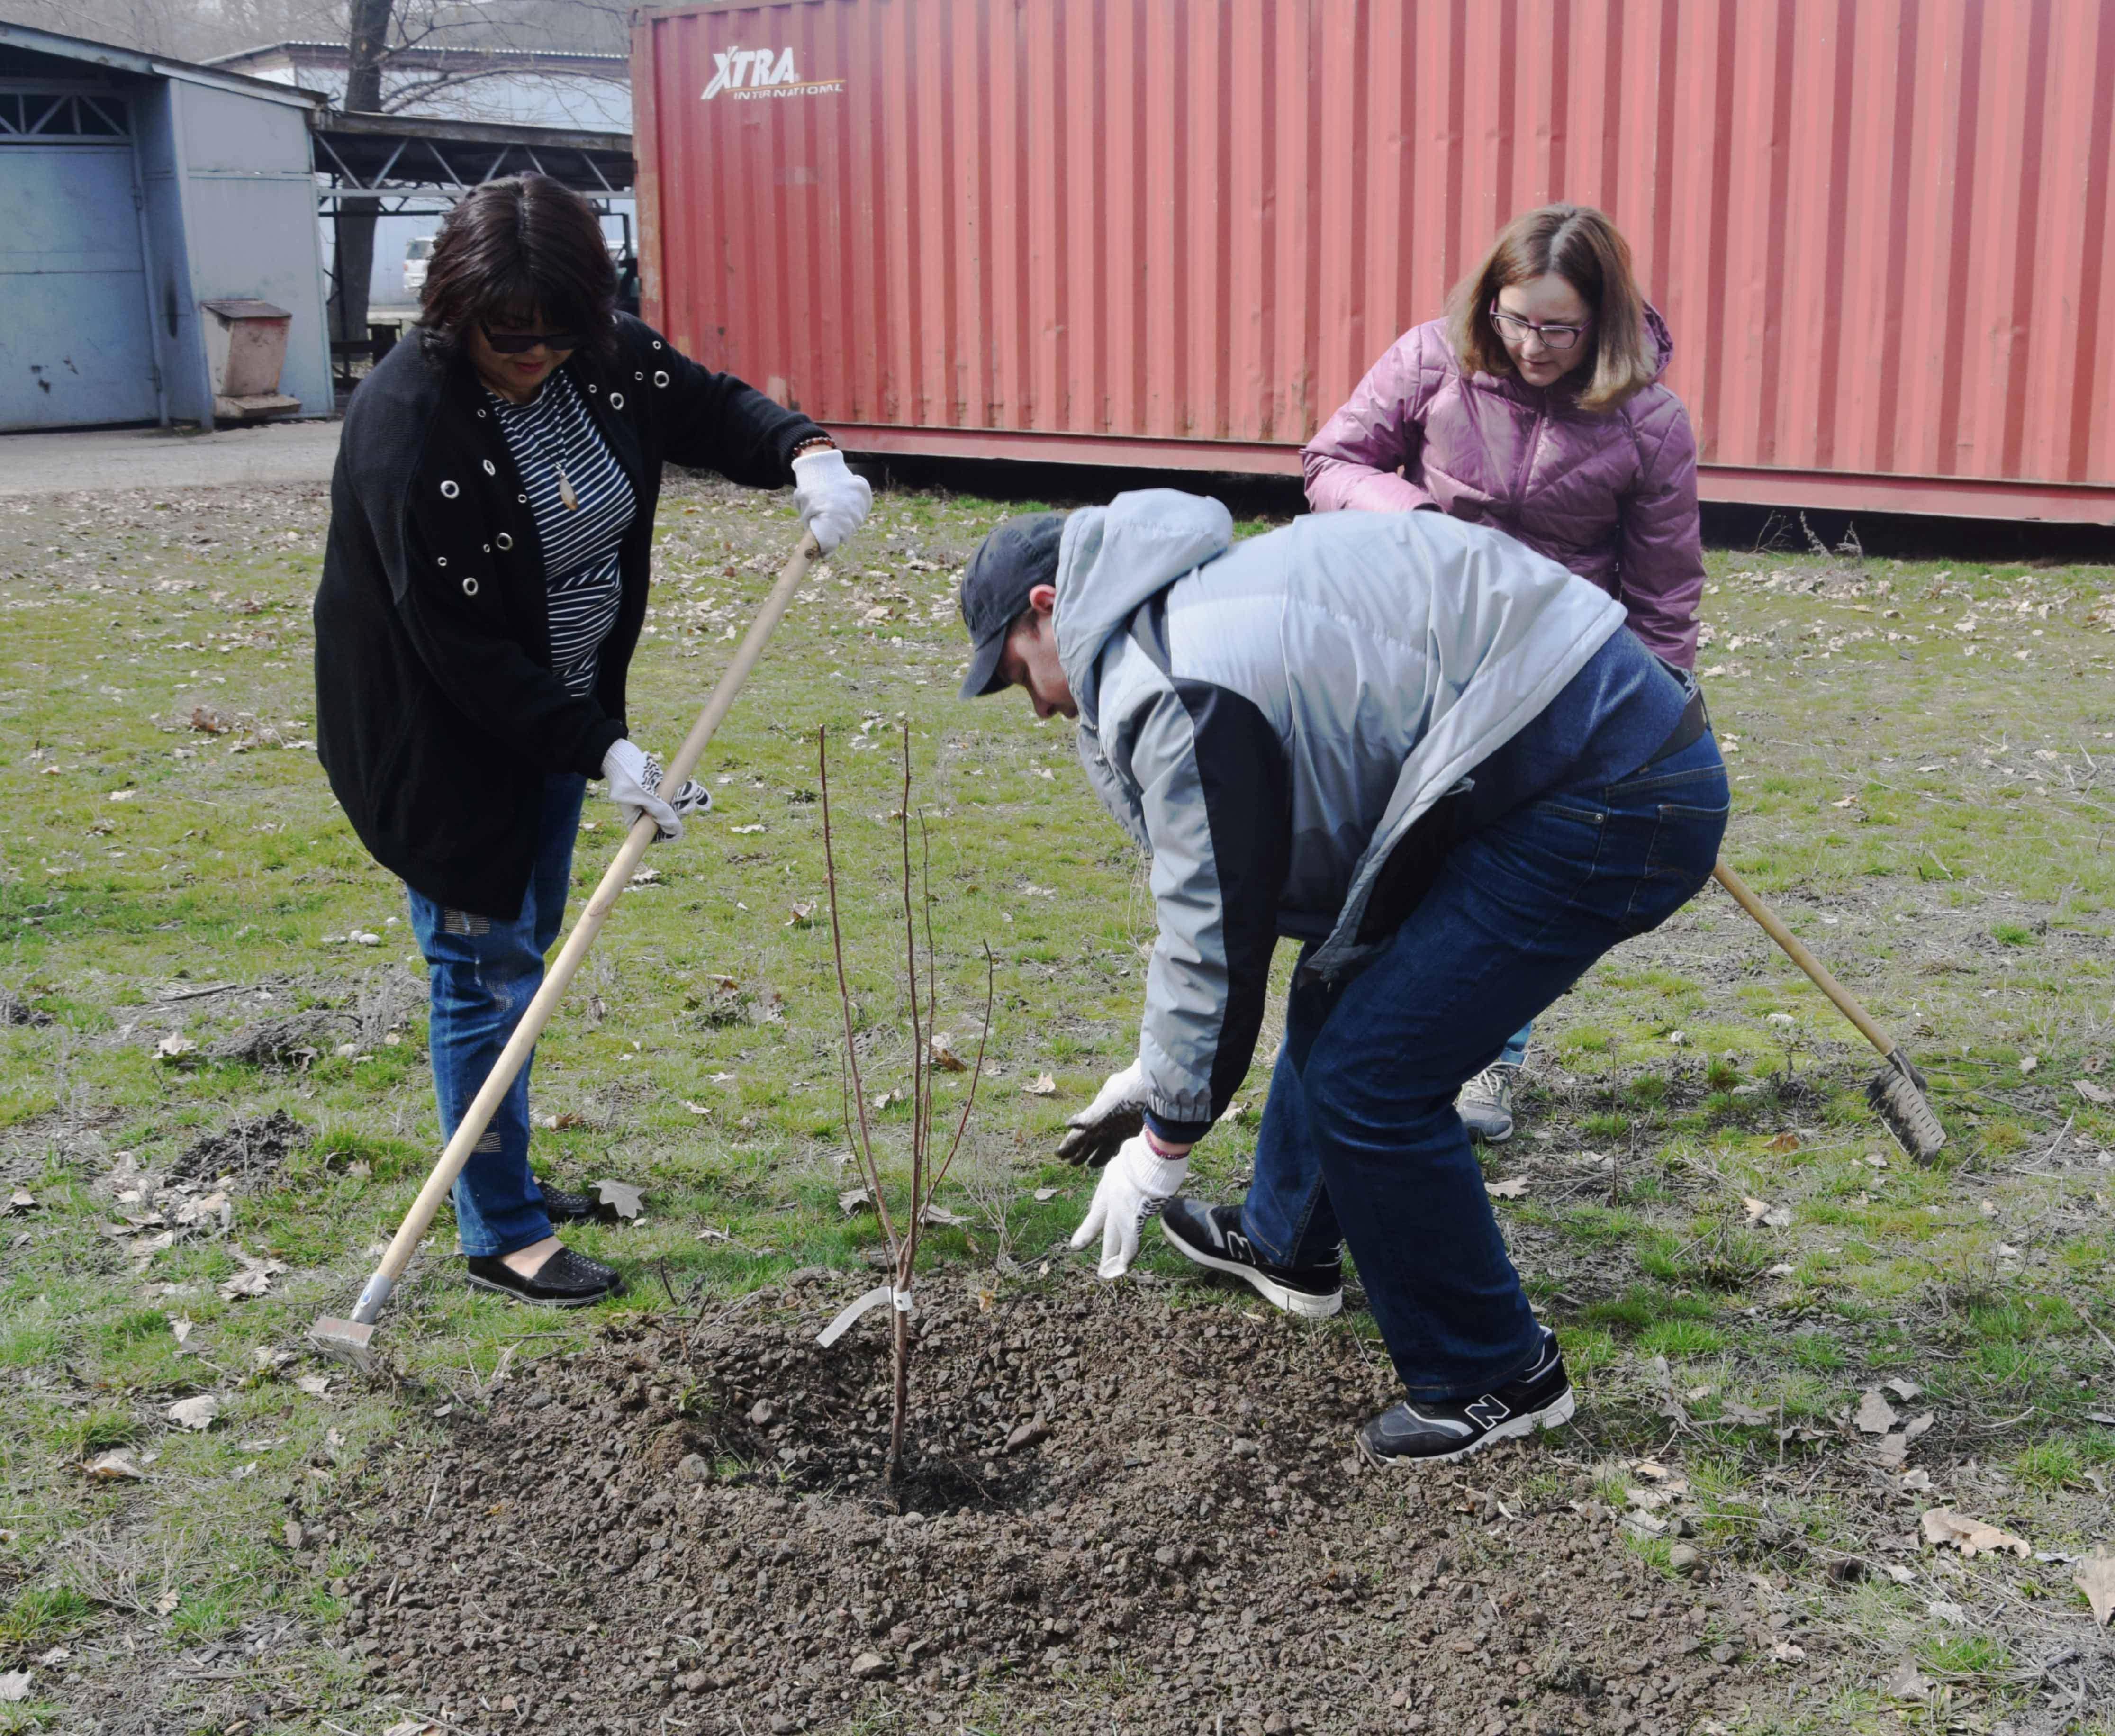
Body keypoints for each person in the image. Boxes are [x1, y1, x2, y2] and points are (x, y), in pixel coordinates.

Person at [957, 490, 1726, 1463]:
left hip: (1602, 789)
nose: (1036, 704)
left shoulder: (1176, 675)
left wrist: (1168, 1135)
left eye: (1018, 673)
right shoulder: (1179, 611)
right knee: (1343, 989)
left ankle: (1497, 1373)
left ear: (1044, 607)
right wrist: (1164, 1070)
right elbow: (1241, 886)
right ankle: (1288, 1242)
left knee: (1375, 1078)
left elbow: (1216, 923)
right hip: (1539, 764)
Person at [313, 175, 870, 1309]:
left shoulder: (598, 348)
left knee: (527, 952)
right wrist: (601, 748)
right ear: (452, 309)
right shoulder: (412, 428)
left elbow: (703, 405)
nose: (533, 354)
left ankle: (499, 1161)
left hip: (560, 718)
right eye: (504, 336)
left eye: (554, 333)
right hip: (442, 738)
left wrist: (803, 450)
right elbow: (460, 650)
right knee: (481, 968)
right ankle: (497, 1228)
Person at [1302, 203, 1705, 1146]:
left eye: (1557, 327)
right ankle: (1366, 1030)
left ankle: (1492, 1051)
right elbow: (1332, 461)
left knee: (1508, 867)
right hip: (1418, 651)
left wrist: (1658, 716)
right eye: (1516, 318)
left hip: (1551, 680)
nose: (1531, 344)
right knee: (1399, 849)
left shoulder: (1648, 422)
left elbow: (1663, 591)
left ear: (1602, 320)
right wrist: (1413, 519)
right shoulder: (1433, 360)